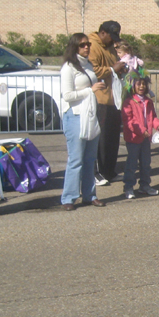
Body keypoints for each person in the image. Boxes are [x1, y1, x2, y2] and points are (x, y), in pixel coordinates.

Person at [59, 33, 106, 210]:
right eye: (82, 45)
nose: (86, 47)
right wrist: (89, 90)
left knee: (90, 159)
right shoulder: (68, 68)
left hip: (90, 115)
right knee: (76, 159)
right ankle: (68, 198)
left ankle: (90, 195)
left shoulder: (88, 65)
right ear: (75, 47)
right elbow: (67, 96)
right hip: (75, 115)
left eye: (88, 44)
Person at [89, 21, 127, 186]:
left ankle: (109, 171)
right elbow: (93, 70)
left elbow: (114, 66)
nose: (113, 41)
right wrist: (113, 69)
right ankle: (97, 172)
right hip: (100, 98)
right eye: (111, 37)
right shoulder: (92, 46)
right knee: (102, 138)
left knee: (112, 138)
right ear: (102, 33)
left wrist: (120, 69)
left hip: (114, 98)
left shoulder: (110, 46)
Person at [121, 77, 159, 199]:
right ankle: (128, 186)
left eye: (143, 84)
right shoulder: (129, 101)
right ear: (132, 86)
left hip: (145, 138)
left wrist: (157, 124)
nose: (141, 86)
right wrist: (141, 130)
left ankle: (145, 185)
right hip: (134, 138)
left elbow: (152, 116)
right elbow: (129, 120)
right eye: (138, 84)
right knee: (132, 163)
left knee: (146, 163)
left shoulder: (148, 101)